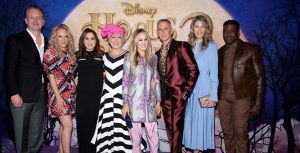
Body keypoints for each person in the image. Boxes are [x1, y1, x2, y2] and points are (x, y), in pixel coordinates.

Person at [4, 5, 47, 153]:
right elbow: (9, 68)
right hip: (21, 96)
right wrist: (13, 93)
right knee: (21, 135)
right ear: (25, 20)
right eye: (31, 17)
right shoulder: (15, 40)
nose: (35, 20)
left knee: (36, 134)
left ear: (43, 21)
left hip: (41, 95)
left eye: (39, 17)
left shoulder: (47, 42)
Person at [218, 20, 265, 153]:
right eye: (225, 30)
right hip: (223, 100)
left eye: (231, 30)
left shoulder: (250, 49)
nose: (228, 33)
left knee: (240, 133)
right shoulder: (219, 52)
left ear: (238, 32)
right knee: (227, 134)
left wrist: (257, 103)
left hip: (242, 98)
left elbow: (260, 77)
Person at [156, 19, 199, 153]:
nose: (163, 32)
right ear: (157, 33)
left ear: (171, 30)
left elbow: (194, 70)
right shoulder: (157, 54)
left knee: (176, 130)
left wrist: (185, 92)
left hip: (179, 95)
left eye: (166, 28)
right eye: (160, 29)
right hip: (165, 97)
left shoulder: (181, 46)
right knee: (170, 130)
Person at [91, 24, 132, 153]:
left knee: (124, 128)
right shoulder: (103, 57)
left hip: (123, 99)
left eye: (119, 37)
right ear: (108, 39)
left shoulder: (129, 55)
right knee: (107, 128)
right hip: (107, 97)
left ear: (123, 39)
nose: (115, 40)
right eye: (112, 37)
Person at [182, 15, 218, 153]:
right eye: (196, 26)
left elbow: (214, 73)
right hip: (191, 93)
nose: (199, 29)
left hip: (204, 92)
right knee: (192, 130)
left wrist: (214, 97)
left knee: (200, 131)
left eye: (202, 26)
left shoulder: (211, 46)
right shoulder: (188, 47)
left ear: (206, 29)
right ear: (192, 28)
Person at [122, 29, 161, 153]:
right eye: (140, 39)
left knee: (154, 137)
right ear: (135, 41)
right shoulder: (129, 57)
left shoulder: (153, 58)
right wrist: (125, 103)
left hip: (150, 103)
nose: (143, 42)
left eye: (145, 39)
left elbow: (156, 79)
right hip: (134, 104)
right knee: (135, 139)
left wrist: (158, 102)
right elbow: (126, 81)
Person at [43, 24, 77, 153]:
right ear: (55, 38)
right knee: (68, 126)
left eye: (66, 37)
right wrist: (57, 97)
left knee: (64, 127)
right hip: (57, 94)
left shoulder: (69, 54)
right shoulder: (50, 52)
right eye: (60, 36)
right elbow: (50, 76)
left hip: (70, 94)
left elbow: (71, 76)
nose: (63, 40)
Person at [75, 28, 104, 153]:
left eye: (92, 38)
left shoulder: (102, 56)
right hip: (81, 98)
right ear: (82, 41)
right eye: (87, 38)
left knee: (95, 128)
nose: (90, 41)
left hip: (98, 98)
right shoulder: (76, 56)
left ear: (96, 41)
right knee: (83, 127)